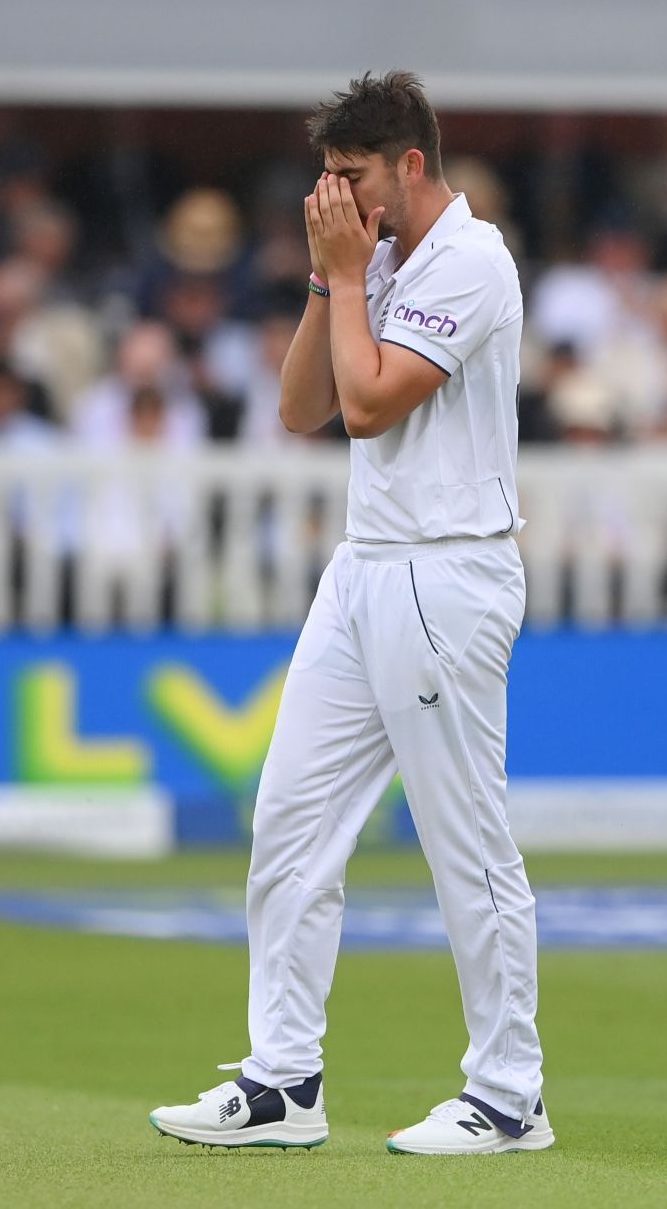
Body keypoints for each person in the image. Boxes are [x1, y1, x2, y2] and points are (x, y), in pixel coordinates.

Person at [150, 73, 550, 1155]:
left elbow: (370, 405)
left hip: (448, 570)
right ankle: (284, 1080)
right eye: (326, 174)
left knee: (464, 837)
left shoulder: (472, 260)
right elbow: (300, 408)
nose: (332, 193)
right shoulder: (371, 260)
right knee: (289, 818)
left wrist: (343, 273)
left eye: (351, 174)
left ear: (410, 165)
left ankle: (510, 1093)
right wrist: (336, 283)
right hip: (366, 564)